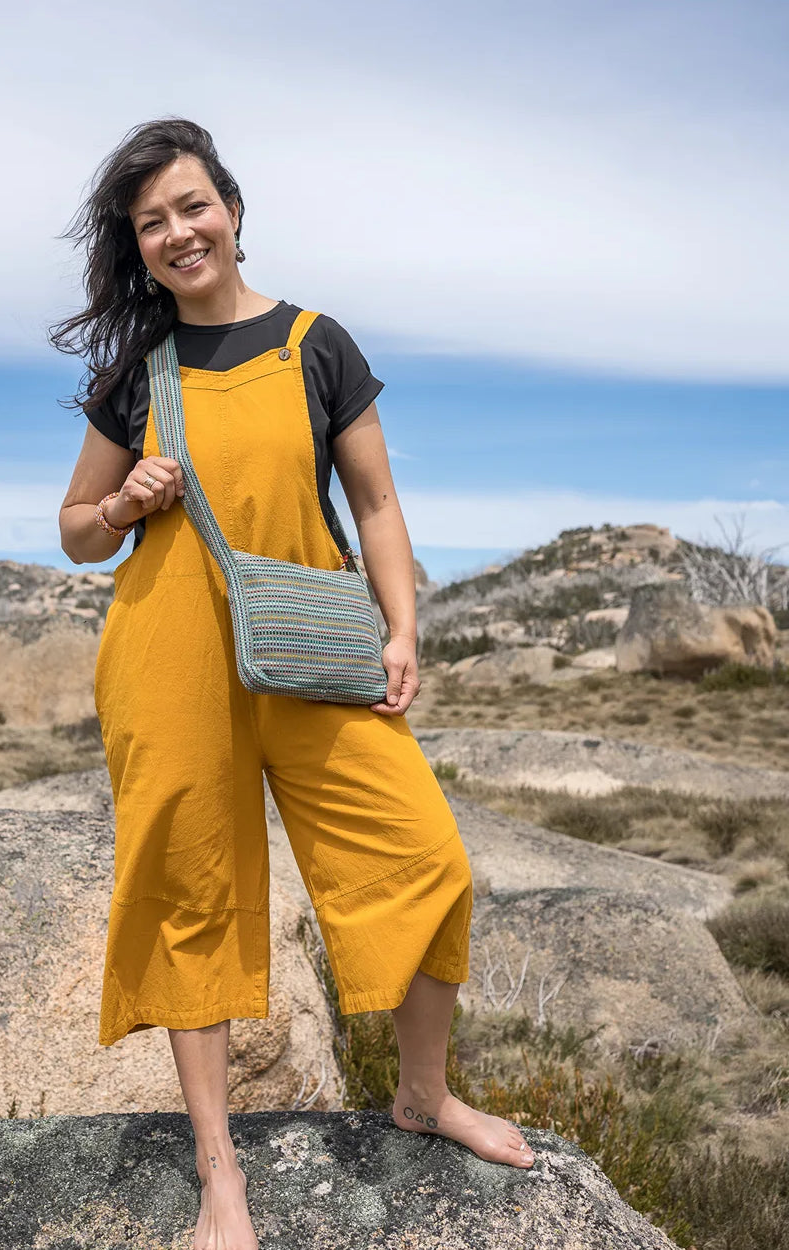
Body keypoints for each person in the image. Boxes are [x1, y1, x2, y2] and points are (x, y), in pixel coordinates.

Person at [53, 117, 534, 1250]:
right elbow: (76, 530)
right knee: (189, 898)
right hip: (169, 658)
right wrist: (124, 506)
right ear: (138, 245)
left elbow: (373, 502)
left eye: (191, 207)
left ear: (230, 206)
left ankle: (424, 1092)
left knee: (425, 856)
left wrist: (404, 626)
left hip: (310, 646)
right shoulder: (135, 373)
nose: (178, 233)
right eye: (151, 223)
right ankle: (221, 1175)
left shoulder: (318, 342)